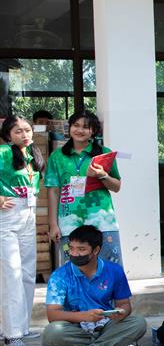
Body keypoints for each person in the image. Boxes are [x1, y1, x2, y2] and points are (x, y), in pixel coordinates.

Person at [41, 225, 147, 346]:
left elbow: (124, 304)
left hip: (105, 326)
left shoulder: (115, 270)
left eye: (81, 249)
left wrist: (121, 312)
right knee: (52, 333)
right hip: (75, 328)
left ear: (96, 250)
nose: (75, 254)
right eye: (71, 248)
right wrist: (85, 316)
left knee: (138, 322)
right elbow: (53, 315)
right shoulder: (59, 275)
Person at [45, 110, 122, 266]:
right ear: (69, 127)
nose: (80, 130)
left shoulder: (104, 154)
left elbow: (116, 186)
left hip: (103, 221)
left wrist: (103, 175)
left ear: (93, 131)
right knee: (73, 266)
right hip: (69, 221)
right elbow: (53, 190)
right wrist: (53, 224)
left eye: (86, 127)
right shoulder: (57, 156)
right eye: (76, 125)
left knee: (109, 266)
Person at [1, 115, 44, 346]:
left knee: (27, 272)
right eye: (18, 131)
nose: (24, 134)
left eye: (27, 130)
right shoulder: (3, 153)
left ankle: (22, 326)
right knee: (12, 274)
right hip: (7, 215)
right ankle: (12, 333)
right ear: (8, 135)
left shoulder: (31, 155)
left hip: (29, 212)